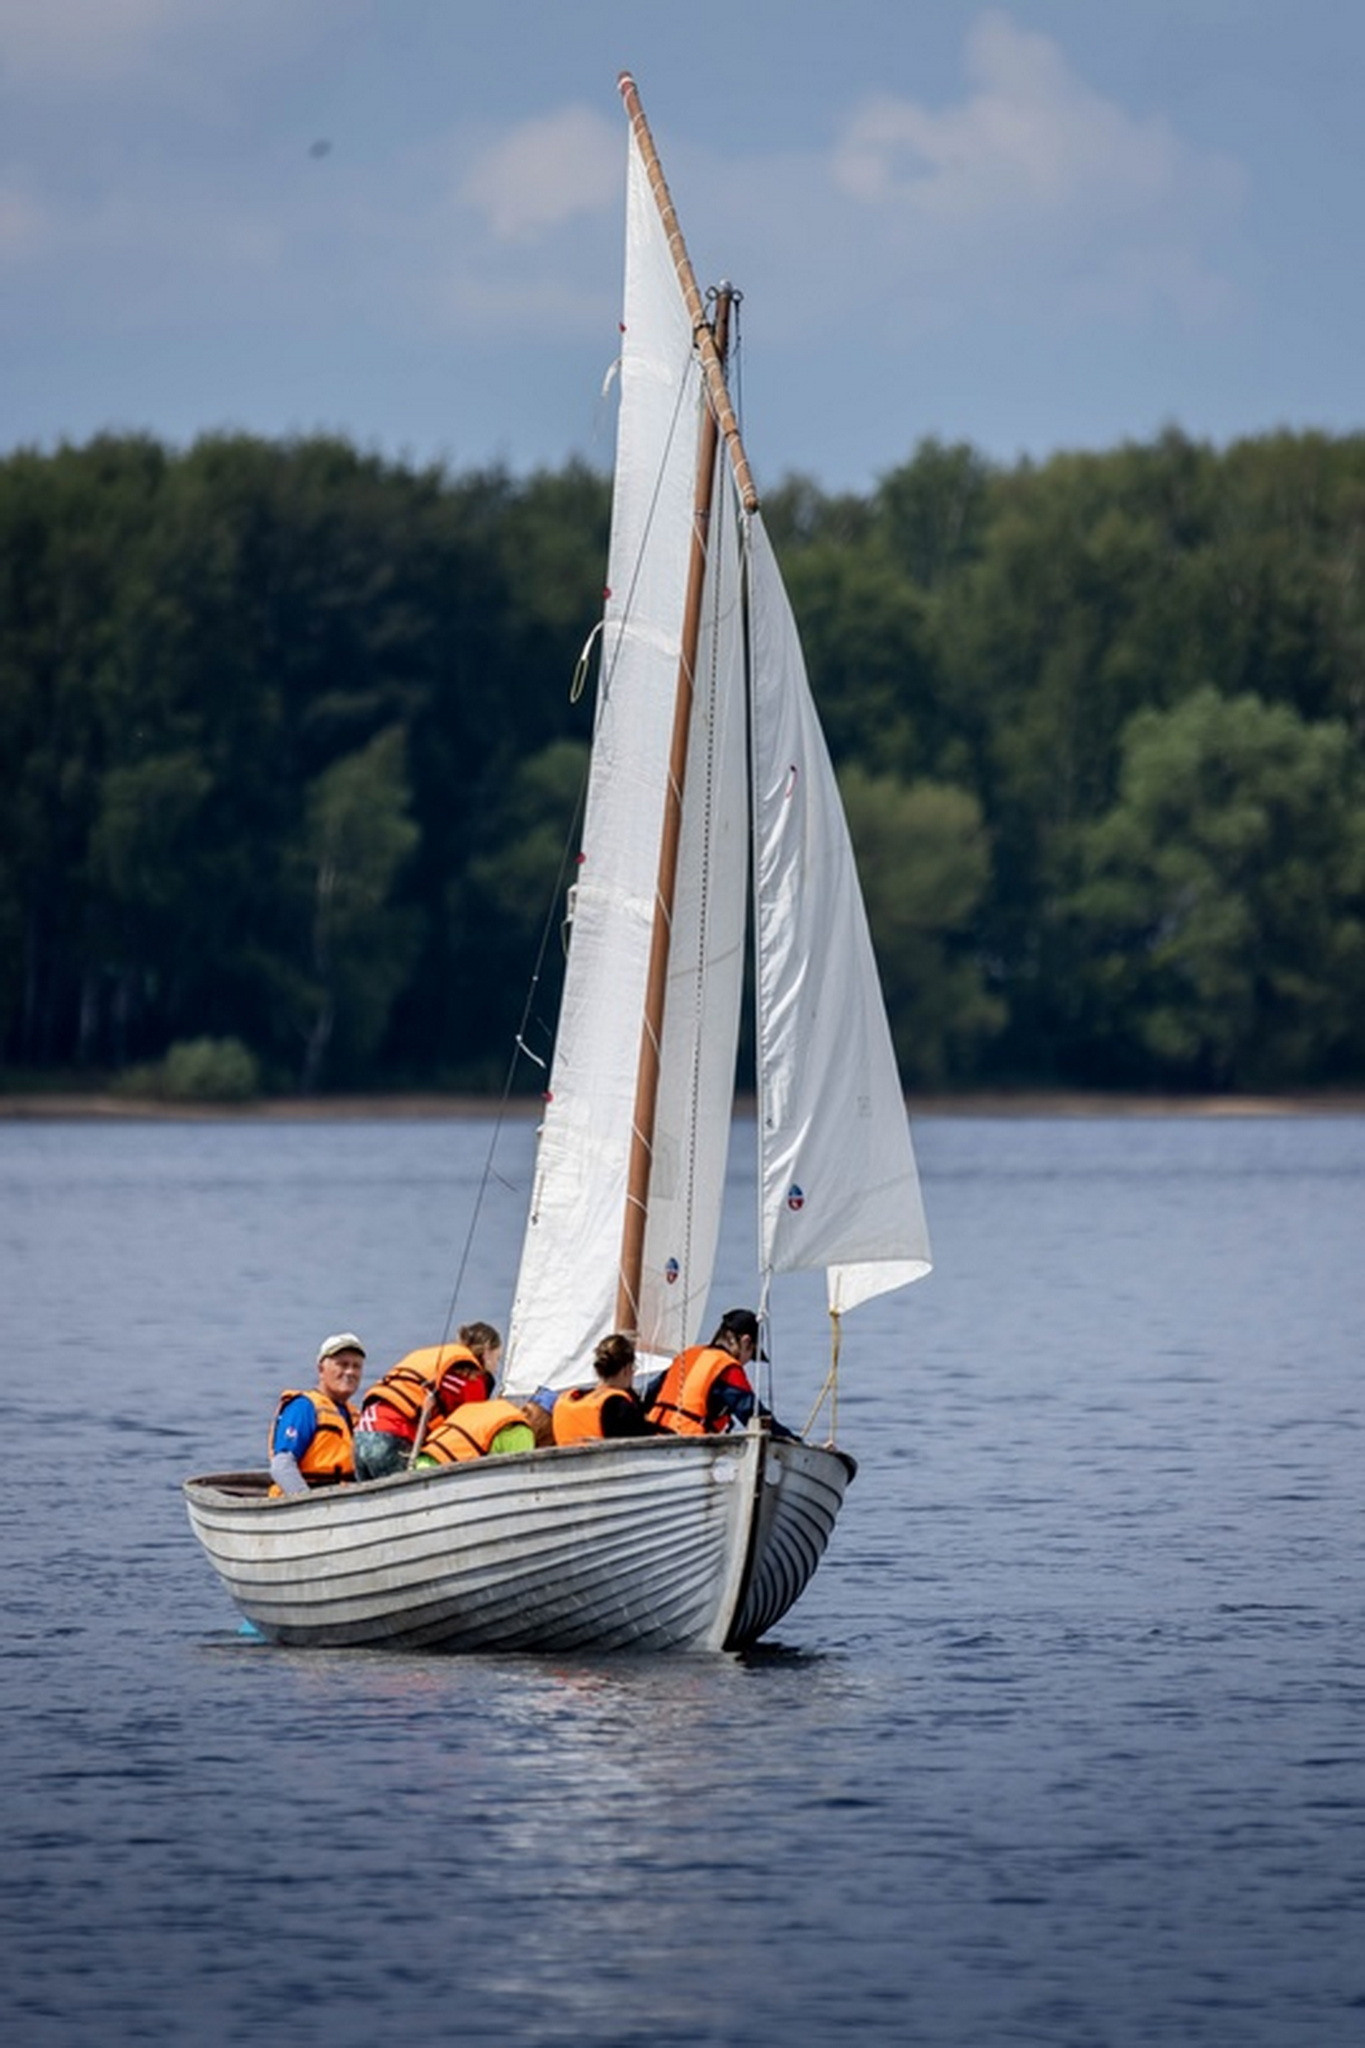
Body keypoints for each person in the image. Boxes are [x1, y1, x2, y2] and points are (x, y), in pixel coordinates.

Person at [352, 1322, 501, 1479]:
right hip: (392, 1436)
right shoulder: (472, 1378)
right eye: (498, 1358)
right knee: (406, 1499)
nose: (497, 1368)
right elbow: (472, 1430)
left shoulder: (434, 1356)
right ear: (487, 1353)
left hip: (362, 1435)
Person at [644, 1308, 797, 1439]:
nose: (747, 1362)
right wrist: (793, 1441)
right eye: (751, 1354)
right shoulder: (727, 1369)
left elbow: (648, 1395)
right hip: (686, 1444)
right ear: (746, 1342)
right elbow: (752, 1414)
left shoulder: (687, 1356)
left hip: (651, 1437)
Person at [269, 1333, 364, 1495]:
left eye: (356, 1366)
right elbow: (281, 1466)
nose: (350, 1372)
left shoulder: (354, 1414)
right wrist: (309, 1504)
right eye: (342, 1364)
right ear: (321, 1369)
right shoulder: (304, 1407)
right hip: (307, 1502)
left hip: (343, 1501)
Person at [551, 1333, 664, 1444]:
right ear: (626, 1369)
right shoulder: (619, 1407)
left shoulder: (565, 1401)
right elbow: (647, 1447)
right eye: (633, 1368)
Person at [414, 1397, 537, 1465]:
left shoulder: (489, 1409)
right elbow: (520, 1476)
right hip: (444, 1475)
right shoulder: (520, 1430)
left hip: (423, 1463)